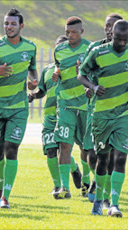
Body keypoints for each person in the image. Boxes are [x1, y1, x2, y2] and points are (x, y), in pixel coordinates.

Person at [78, 19, 128, 217]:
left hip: (123, 113)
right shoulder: (98, 52)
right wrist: (94, 87)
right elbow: (81, 74)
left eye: (125, 39)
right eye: (118, 39)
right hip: (101, 114)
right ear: (112, 35)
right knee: (102, 160)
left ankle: (114, 204)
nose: (122, 43)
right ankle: (98, 201)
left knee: (120, 158)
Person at [0, 8, 38, 209]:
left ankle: (5, 195)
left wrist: (34, 80)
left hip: (18, 108)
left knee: (11, 149)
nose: (9, 27)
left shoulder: (30, 47)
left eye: (13, 24)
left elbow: (32, 67)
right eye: (6, 23)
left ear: (21, 26)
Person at [81, 13, 123, 204]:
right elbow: (83, 73)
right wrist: (89, 88)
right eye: (107, 25)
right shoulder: (94, 47)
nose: (109, 29)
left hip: (118, 110)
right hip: (95, 108)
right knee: (90, 153)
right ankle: (98, 179)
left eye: (113, 26)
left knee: (112, 154)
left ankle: (105, 194)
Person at [52, 16, 90, 199]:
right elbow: (58, 68)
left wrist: (83, 72)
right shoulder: (59, 50)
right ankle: (64, 188)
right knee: (64, 145)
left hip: (85, 105)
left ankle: (86, 183)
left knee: (85, 147)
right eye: (67, 32)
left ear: (81, 31)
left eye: (74, 32)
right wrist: (56, 75)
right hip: (65, 103)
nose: (70, 35)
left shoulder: (91, 49)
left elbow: (96, 74)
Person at [28, 35, 68, 199]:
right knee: (51, 150)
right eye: (58, 48)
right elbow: (42, 91)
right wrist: (33, 94)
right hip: (50, 117)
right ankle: (58, 186)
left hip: (67, 115)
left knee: (65, 150)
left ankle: (76, 173)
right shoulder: (47, 70)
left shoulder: (75, 70)